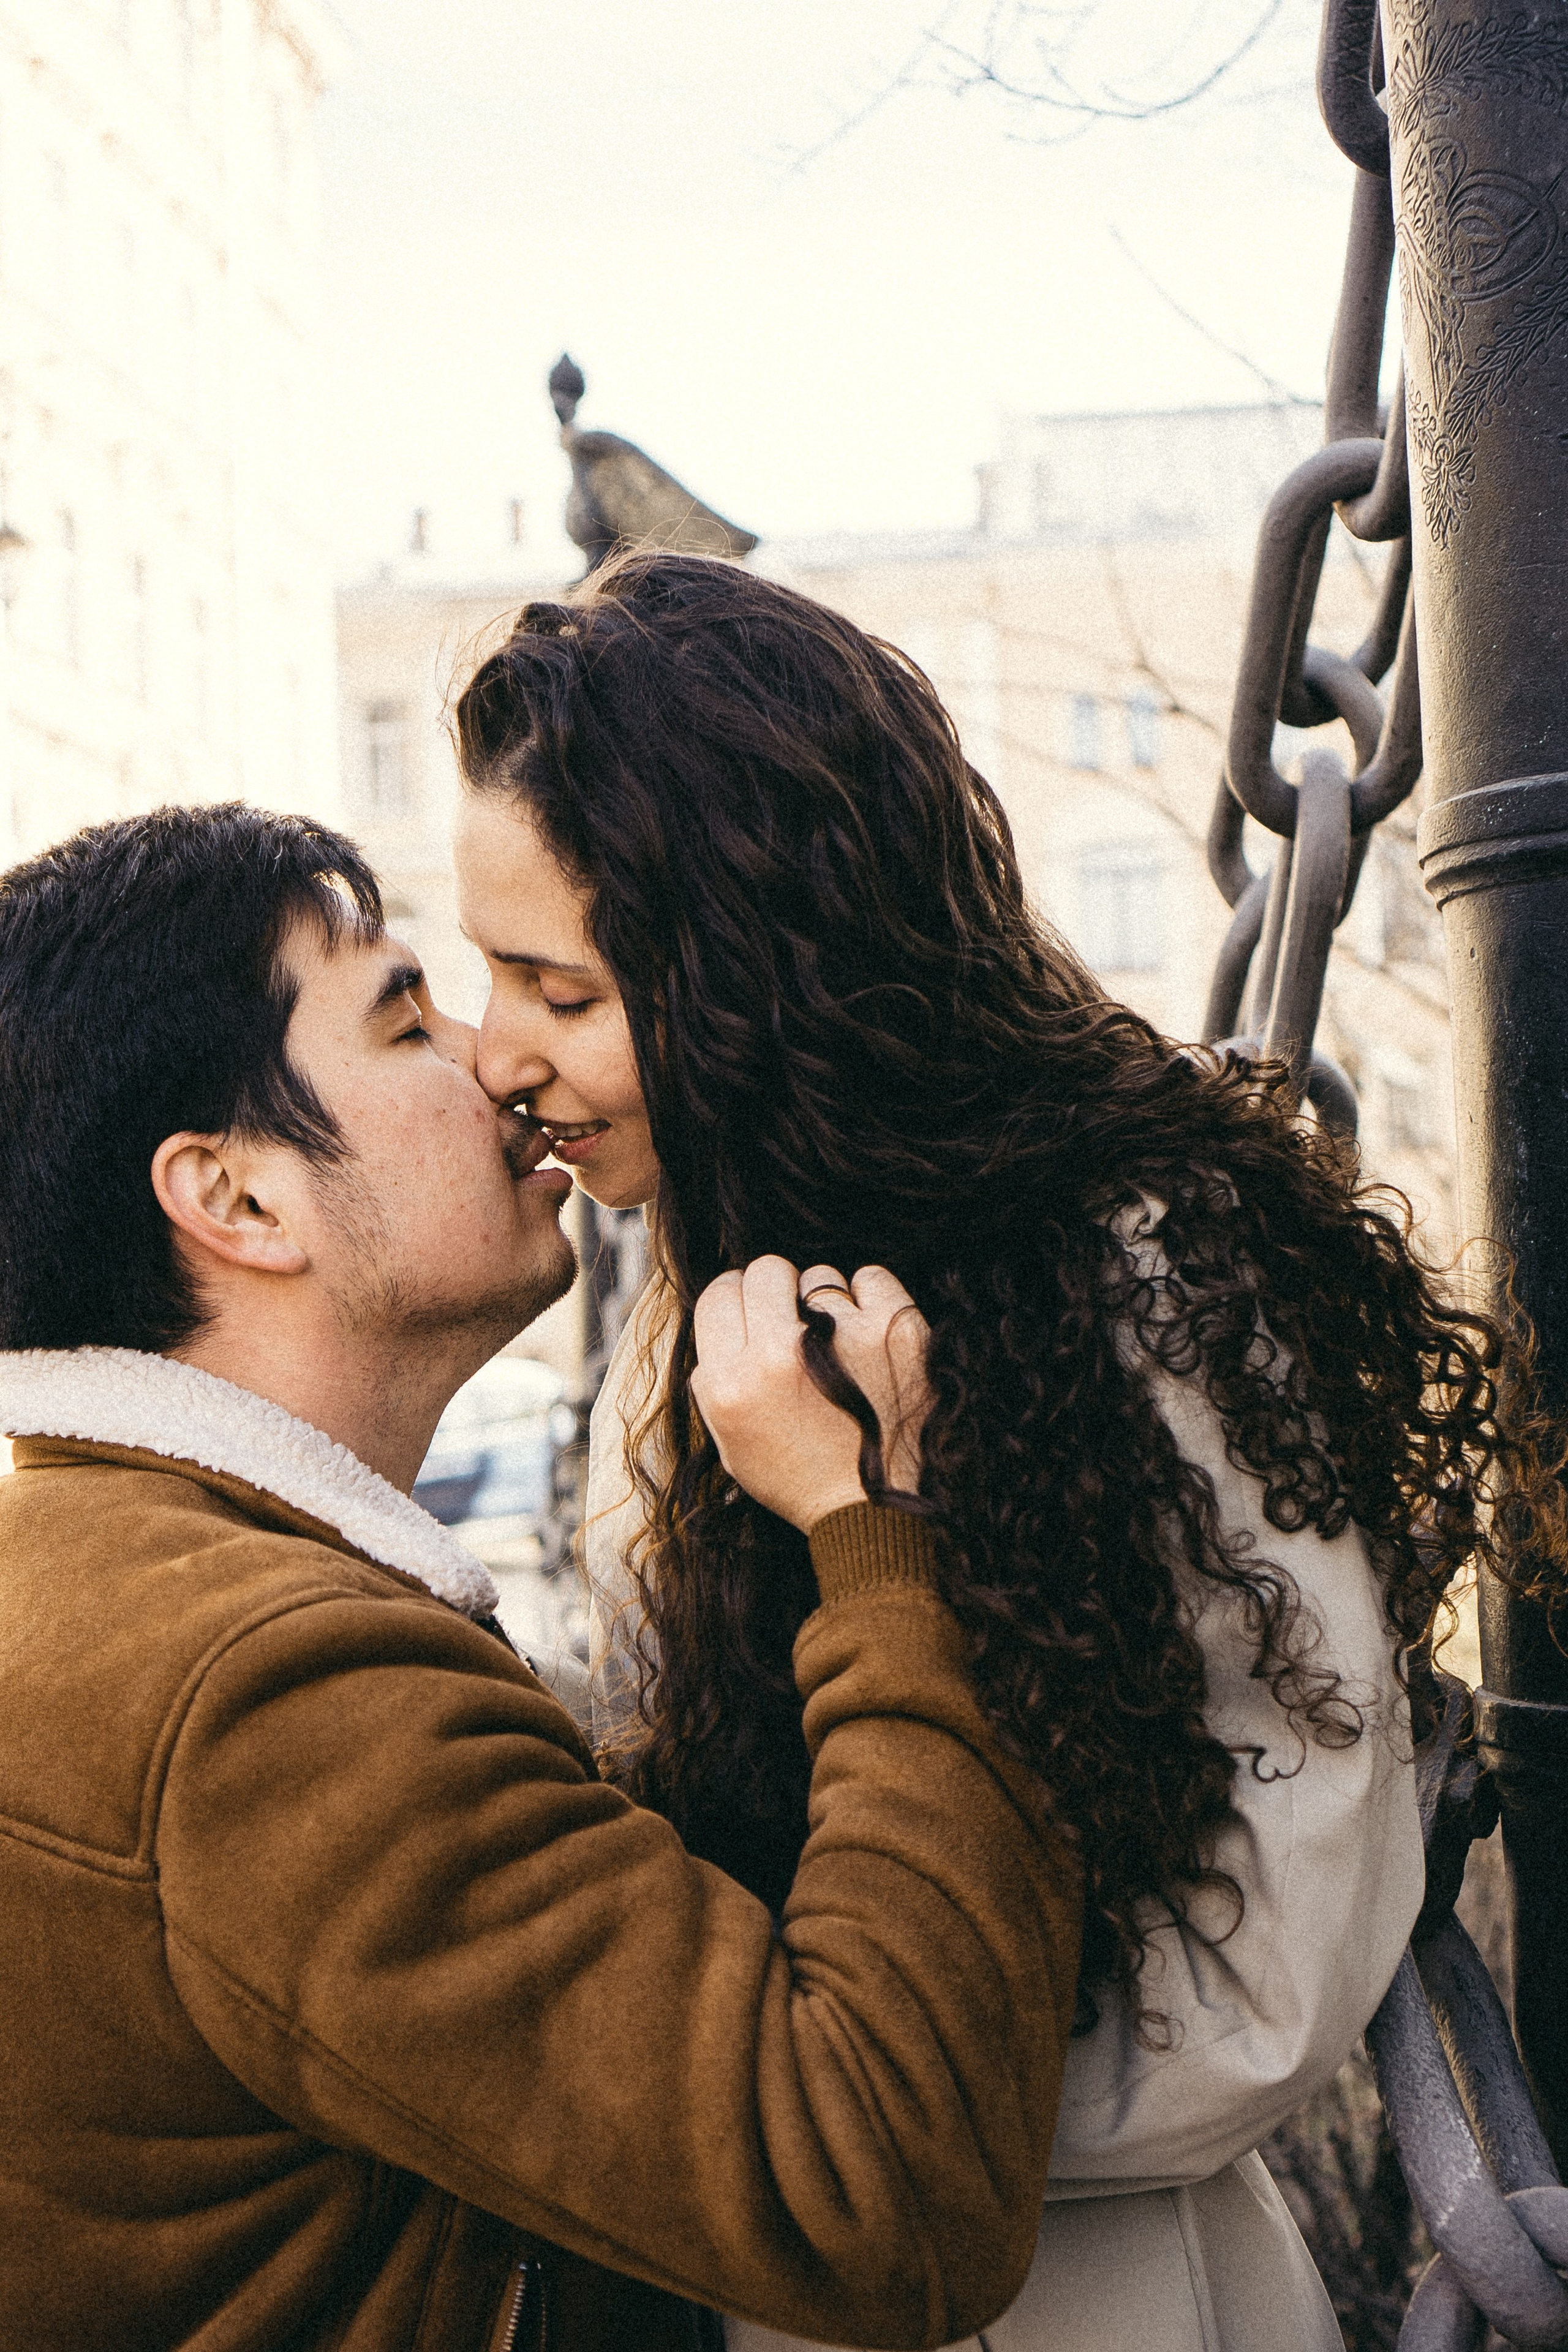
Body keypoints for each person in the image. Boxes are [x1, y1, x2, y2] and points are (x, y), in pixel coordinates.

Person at [450, 551, 1568, 2352]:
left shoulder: (1134, 1273)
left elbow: (1271, 1976)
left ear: (757, 977)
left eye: (558, 993)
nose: (495, 1054)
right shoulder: (718, 1282)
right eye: (483, 974)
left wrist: (808, 2104)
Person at [0, 804, 1085, 2352]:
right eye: (405, 1022)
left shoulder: (80, 1578)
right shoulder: (271, 1699)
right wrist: (877, 1537)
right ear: (237, 1200)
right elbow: (887, 2192)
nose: (494, 1062)